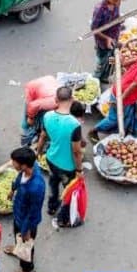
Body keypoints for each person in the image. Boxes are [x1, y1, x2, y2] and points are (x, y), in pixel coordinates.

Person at [36, 87, 83, 220]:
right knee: (68, 191)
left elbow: (43, 136)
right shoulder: (74, 124)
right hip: (67, 167)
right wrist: (79, 170)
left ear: (56, 100)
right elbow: (76, 151)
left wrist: (38, 152)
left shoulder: (47, 116)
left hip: (51, 159)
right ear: (72, 100)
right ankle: (63, 218)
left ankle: (51, 207)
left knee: (53, 183)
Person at [4, 147, 45, 272]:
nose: (12, 164)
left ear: (24, 165)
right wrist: (13, 189)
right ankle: (17, 247)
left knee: (27, 246)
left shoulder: (36, 187)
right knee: (17, 236)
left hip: (27, 222)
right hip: (19, 213)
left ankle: (27, 270)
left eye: (14, 162)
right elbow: (18, 178)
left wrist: (26, 230)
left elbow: (33, 212)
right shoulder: (25, 171)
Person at [90, 0, 124, 83]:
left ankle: (105, 76)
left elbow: (116, 18)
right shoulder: (100, 9)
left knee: (111, 60)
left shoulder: (116, 4)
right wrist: (107, 38)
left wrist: (120, 21)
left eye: (120, 1)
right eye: (117, 1)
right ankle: (96, 79)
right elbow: (94, 29)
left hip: (114, 40)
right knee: (101, 62)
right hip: (103, 43)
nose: (119, 3)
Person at [20, 75, 59, 147]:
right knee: (29, 123)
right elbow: (32, 106)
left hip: (44, 87)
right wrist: (30, 118)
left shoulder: (64, 101)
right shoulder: (51, 102)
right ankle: (26, 140)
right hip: (33, 92)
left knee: (42, 121)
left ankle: (36, 134)